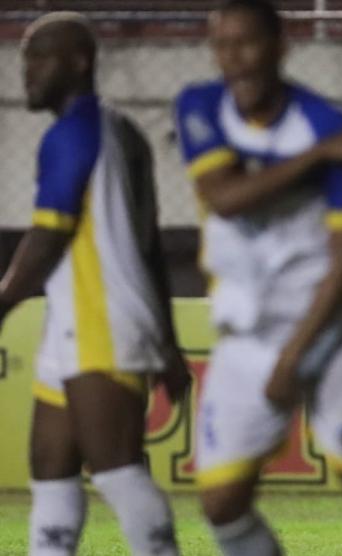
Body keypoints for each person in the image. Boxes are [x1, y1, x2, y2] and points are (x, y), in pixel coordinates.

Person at [174, 1, 342, 555]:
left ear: (281, 47)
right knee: (221, 504)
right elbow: (223, 199)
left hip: (330, 333)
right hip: (247, 339)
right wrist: (319, 158)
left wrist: (294, 356)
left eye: (247, 44)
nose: (233, 59)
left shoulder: (334, 127)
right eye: (221, 45)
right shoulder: (201, 106)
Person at [0, 12, 190, 556]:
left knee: (117, 471)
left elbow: (47, 235)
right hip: (77, 321)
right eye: (23, 60)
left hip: (102, 322)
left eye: (39, 58)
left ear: (80, 62)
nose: (27, 72)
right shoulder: (122, 132)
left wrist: (3, 302)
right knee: (51, 469)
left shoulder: (71, 133)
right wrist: (169, 342)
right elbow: (150, 247)